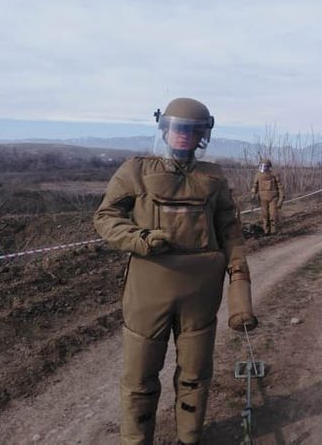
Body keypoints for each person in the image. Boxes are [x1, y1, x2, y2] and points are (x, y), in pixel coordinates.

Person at [94, 97, 258, 445]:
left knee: (196, 375)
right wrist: (140, 239)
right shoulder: (135, 171)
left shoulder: (212, 177)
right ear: (164, 130)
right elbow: (106, 217)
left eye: (191, 131)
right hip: (148, 289)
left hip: (201, 293)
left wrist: (239, 277)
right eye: (177, 129)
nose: (182, 137)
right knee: (140, 377)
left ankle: (190, 438)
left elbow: (230, 230)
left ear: (202, 135)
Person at [251, 158, 284, 235]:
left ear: (269, 167)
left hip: (273, 198)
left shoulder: (274, 175)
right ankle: (266, 231)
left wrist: (281, 200)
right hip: (262, 199)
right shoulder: (258, 175)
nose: (264, 168)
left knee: (273, 215)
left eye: (265, 166)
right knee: (265, 216)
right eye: (262, 166)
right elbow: (254, 186)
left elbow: (280, 187)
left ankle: (274, 231)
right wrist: (253, 196)